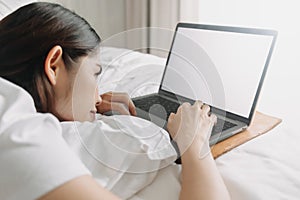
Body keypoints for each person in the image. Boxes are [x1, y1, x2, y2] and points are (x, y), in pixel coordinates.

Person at [0, 2, 230, 200]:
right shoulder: (19, 136)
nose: (98, 96)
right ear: (53, 65)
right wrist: (194, 142)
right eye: (94, 73)